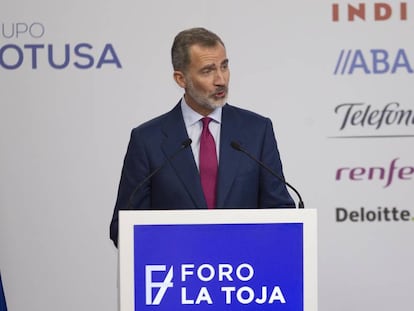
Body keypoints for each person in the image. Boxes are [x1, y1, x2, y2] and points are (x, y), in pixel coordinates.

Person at [109, 27, 295, 247]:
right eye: (207, 71)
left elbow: (281, 213)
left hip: (244, 272)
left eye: (224, 66)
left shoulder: (257, 130)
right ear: (181, 79)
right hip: (178, 270)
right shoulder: (147, 140)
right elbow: (123, 226)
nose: (221, 80)